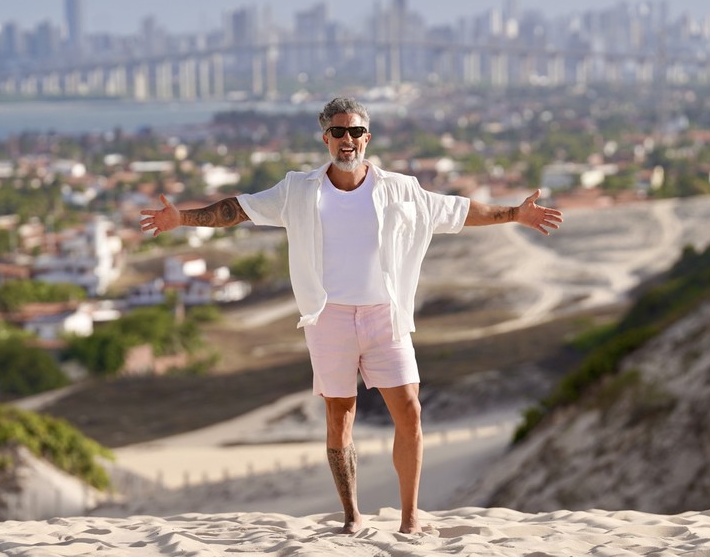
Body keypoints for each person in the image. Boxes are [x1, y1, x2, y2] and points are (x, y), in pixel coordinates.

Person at [140, 97, 563, 534]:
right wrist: (182, 218)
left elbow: (458, 210)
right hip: (329, 318)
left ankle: (410, 518)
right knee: (340, 416)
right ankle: (351, 516)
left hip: (386, 316)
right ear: (325, 138)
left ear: (368, 138)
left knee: (411, 411)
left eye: (356, 132)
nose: (348, 140)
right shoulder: (298, 190)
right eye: (339, 132)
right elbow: (237, 210)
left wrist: (516, 213)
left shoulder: (400, 189)